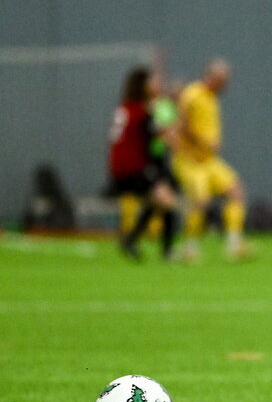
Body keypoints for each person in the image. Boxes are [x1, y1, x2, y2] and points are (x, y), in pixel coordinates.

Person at [173, 58, 249, 261]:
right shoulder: (193, 94)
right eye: (222, 80)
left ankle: (234, 244)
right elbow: (181, 126)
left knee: (235, 190)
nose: (225, 85)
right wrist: (204, 142)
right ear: (211, 77)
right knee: (201, 200)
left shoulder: (212, 97)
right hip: (190, 159)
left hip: (209, 160)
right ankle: (189, 246)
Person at [107, 67, 179, 260]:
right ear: (143, 85)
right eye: (152, 81)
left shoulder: (126, 107)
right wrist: (179, 128)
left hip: (120, 167)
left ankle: (132, 240)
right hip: (133, 168)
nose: (156, 84)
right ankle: (166, 251)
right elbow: (159, 133)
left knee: (157, 200)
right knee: (167, 200)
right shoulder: (141, 110)